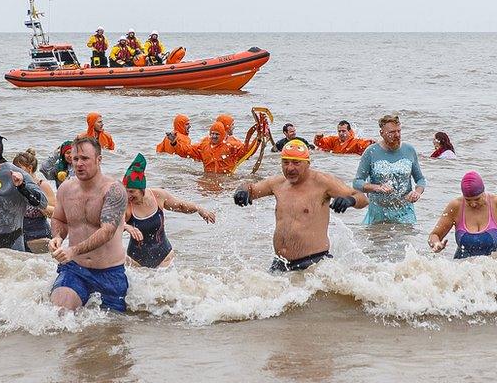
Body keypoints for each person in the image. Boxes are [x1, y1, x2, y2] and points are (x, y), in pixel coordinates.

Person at [233, 141, 368, 271]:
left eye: (296, 163)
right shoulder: (277, 183)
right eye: (285, 162)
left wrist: (350, 201)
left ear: (307, 163)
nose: (290, 168)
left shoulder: (322, 183)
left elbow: (362, 198)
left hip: (313, 264)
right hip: (281, 264)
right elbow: (250, 188)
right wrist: (241, 191)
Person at [48, 137, 129, 311]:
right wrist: (57, 237)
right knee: (59, 312)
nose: (79, 164)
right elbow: (59, 219)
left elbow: (107, 231)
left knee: (112, 331)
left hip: (110, 272)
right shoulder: (66, 189)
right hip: (74, 268)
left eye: (85, 159)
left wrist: (73, 249)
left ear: (99, 159)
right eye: (75, 159)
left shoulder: (114, 190)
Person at [122, 153, 215, 268]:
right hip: (136, 262)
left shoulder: (158, 196)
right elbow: (113, 225)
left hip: (164, 257)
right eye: (125, 190)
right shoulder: (126, 205)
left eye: (131, 191)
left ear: (142, 189)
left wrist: (198, 208)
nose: (128, 195)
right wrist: (126, 227)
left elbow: (180, 206)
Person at [428, 171, 497, 258]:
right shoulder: (455, 206)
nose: (473, 204)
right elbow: (434, 235)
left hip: (496, 271)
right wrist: (436, 244)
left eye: (477, 199)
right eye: (468, 200)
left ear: (483, 192)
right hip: (463, 269)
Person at [352, 114, 427, 224]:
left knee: (408, 240)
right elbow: (357, 183)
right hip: (378, 213)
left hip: (405, 212)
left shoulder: (409, 150)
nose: (397, 135)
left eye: (399, 131)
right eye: (392, 132)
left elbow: (421, 179)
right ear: (381, 133)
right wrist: (377, 187)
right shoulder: (371, 152)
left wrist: (417, 192)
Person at [13, 149, 57, 253]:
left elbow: (55, 213)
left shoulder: (42, 186)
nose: (15, 173)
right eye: (13, 169)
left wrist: (38, 203)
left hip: (39, 232)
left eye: (18, 169)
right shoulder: (13, 185)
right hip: (18, 231)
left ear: (29, 168)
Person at [167, 121, 248, 174]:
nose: (214, 136)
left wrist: (258, 139)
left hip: (226, 180)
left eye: (217, 134)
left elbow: (247, 151)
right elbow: (186, 151)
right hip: (208, 178)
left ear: (222, 134)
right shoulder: (204, 146)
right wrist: (174, 143)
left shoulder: (231, 146)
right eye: (212, 134)